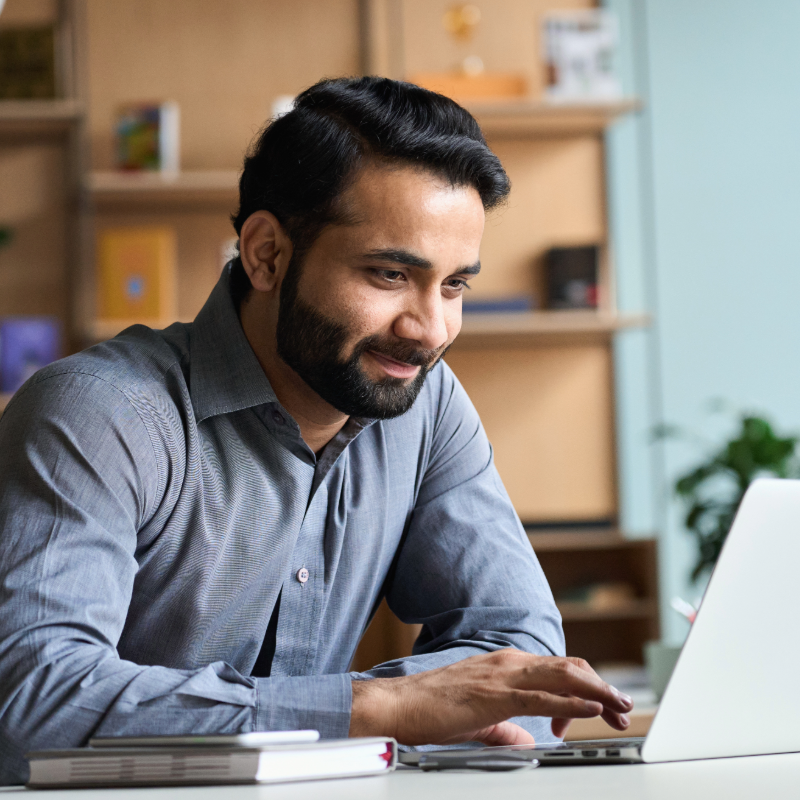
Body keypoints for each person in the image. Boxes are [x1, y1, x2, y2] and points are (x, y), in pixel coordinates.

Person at [0, 77, 631, 784]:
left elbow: (523, 650)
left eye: (455, 286)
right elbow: (35, 703)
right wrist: (378, 707)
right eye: (391, 274)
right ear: (267, 253)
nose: (431, 330)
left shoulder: (424, 404)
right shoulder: (98, 413)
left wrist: (397, 708)